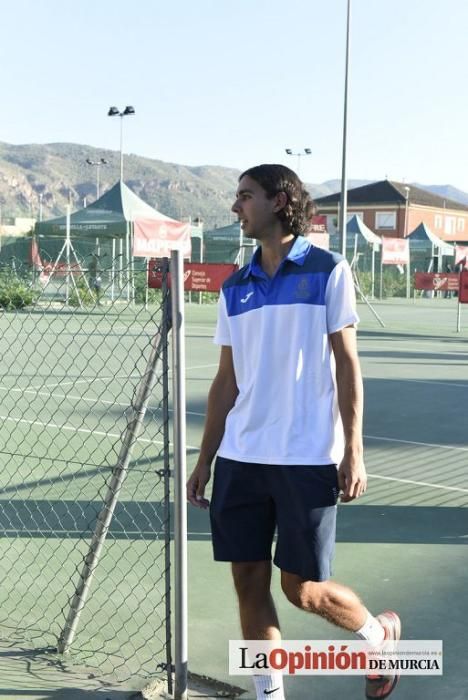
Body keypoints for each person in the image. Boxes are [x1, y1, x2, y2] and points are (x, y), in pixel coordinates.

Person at [187, 164, 401, 700]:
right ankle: (269, 693)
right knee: (248, 581)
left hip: (307, 457)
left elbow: (348, 366)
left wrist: (354, 450)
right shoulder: (234, 286)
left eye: (245, 196)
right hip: (241, 456)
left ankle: (377, 637)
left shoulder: (329, 270)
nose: (236, 207)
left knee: (301, 588)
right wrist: (205, 458)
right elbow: (226, 381)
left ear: (280, 201)